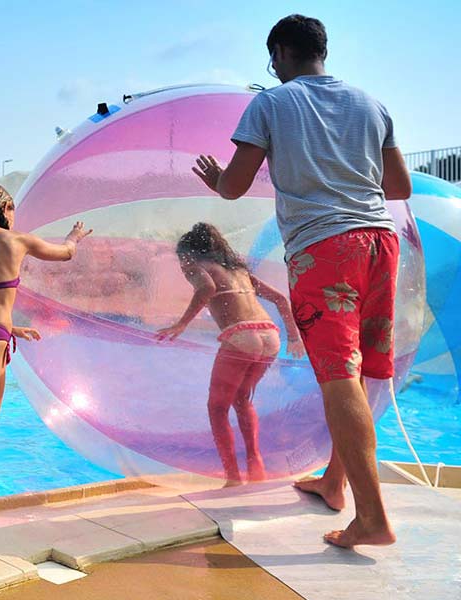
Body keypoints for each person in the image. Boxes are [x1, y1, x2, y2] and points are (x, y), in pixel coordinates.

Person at [191, 14, 412, 547]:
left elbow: (235, 187)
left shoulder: (271, 102)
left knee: (337, 376)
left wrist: (218, 178)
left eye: (272, 58)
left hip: (324, 248)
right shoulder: (370, 103)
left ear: (282, 52)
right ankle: (335, 483)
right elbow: (399, 184)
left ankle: (373, 518)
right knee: (357, 373)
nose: (271, 67)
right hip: (381, 243)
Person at [0, 183, 90, 534]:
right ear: (4, 207)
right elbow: (65, 253)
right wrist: (75, 235)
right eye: (11, 208)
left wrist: (11, 330)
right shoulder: (16, 240)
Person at [156, 223, 305, 484]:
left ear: (190, 253)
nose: (182, 266)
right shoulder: (239, 271)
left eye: (182, 259)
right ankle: (256, 466)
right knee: (242, 399)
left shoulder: (197, 266)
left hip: (241, 336)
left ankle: (233, 476)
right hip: (270, 336)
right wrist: (293, 337)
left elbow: (206, 290)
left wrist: (181, 324)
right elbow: (281, 299)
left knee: (217, 408)